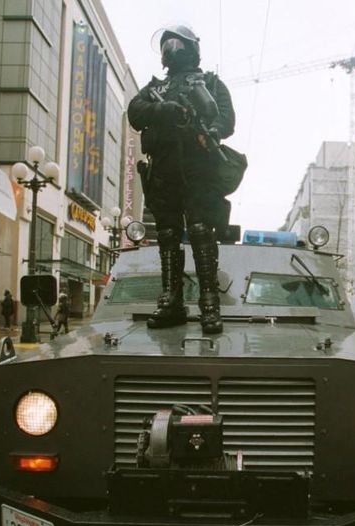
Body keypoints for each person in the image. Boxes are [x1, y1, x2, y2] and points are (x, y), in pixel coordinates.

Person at [128, 24, 236, 334]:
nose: (171, 50)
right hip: (164, 169)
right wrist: (165, 110)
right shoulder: (154, 89)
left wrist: (210, 132)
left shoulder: (211, 83)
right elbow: (135, 112)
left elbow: (225, 119)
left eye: (176, 43)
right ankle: (172, 300)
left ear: (191, 48)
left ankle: (209, 303)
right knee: (167, 234)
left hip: (198, 168)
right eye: (167, 45)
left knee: (202, 231)